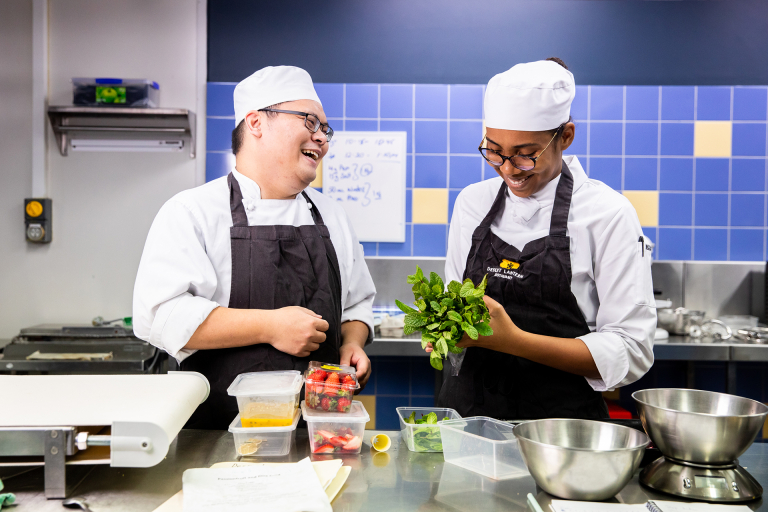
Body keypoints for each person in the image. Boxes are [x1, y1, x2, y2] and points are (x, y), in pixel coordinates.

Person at [133, 66, 376, 429]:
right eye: (310, 122)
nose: (322, 138)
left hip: (320, 432)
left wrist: (352, 342)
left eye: (325, 129)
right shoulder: (192, 212)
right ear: (256, 122)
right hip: (218, 438)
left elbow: (356, 303)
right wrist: (270, 326)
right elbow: (160, 316)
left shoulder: (331, 215)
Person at [435, 58, 655, 420]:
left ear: (565, 136)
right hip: (469, 425)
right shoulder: (472, 203)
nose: (507, 169)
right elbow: (455, 304)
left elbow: (631, 349)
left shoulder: (607, 213)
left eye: (525, 155)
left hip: (564, 436)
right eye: (493, 150)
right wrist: (445, 329)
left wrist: (514, 342)